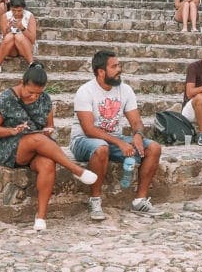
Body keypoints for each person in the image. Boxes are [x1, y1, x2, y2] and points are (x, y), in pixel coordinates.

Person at [0, 62, 99, 231]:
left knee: (47, 163)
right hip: (9, 147)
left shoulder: (45, 99)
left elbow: (49, 125)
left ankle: (41, 217)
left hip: (38, 145)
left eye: (38, 94)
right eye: (30, 92)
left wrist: (49, 130)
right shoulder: (6, 98)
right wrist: (12, 130)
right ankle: (76, 170)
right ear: (22, 83)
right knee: (37, 139)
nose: (34, 97)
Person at [70, 50, 164, 219]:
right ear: (101, 72)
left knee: (154, 148)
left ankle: (140, 201)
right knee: (101, 148)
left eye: (119, 65)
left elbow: (136, 121)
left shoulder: (125, 90)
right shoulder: (85, 91)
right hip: (83, 140)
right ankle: (95, 201)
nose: (119, 69)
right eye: (114, 67)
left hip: (113, 140)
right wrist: (120, 143)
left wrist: (137, 135)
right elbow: (89, 129)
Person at [0, 0, 37, 74]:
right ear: (10, 8)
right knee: (10, 36)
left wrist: (22, 28)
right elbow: (4, 38)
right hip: (11, 49)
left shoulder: (29, 16)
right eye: (14, 10)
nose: (16, 13)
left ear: (23, 8)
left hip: (26, 47)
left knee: (18, 36)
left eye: (19, 11)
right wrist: (7, 28)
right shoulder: (5, 16)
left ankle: (32, 64)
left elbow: (32, 39)